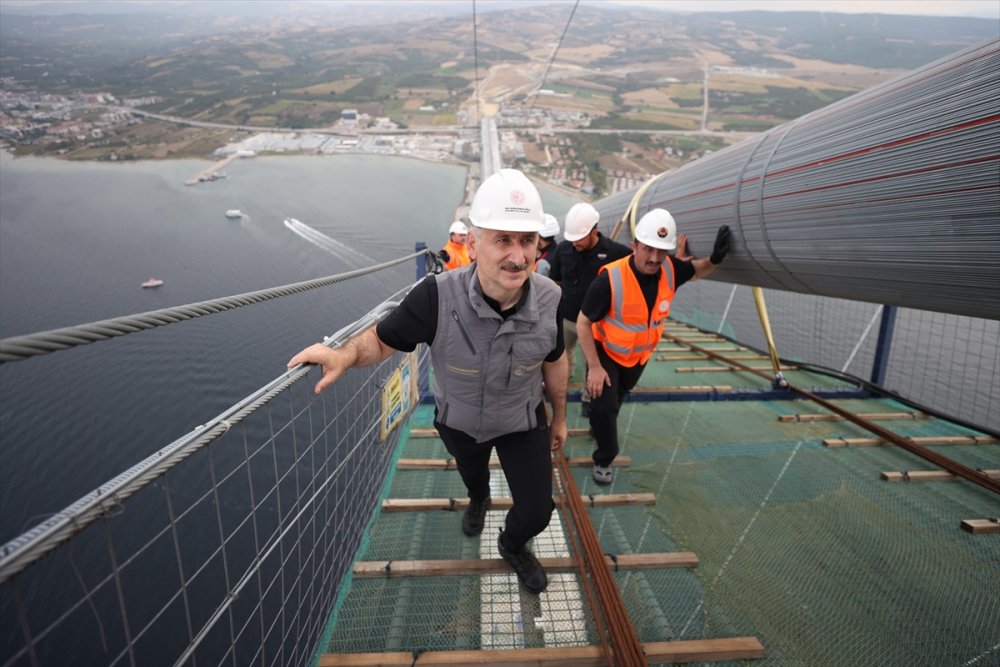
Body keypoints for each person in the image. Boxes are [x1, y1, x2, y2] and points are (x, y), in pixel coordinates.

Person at [288, 168, 568, 594]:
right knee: (474, 476)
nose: (517, 256)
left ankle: (512, 545)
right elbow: (382, 339)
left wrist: (559, 417)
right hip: (461, 423)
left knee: (537, 512)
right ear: (472, 245)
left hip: (522, 420)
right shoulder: (436, 296)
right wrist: (344, 354)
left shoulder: (550, 299)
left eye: (527, 240)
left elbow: (555, 357)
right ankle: (479, 499)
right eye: (503, 240)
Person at [576, 209, 731, 485]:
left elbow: (697, 269)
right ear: (634, 246)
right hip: (606, 351)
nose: (654, 258)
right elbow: (583, 323)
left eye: (661, 251)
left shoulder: (670, 269)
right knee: (605, 407)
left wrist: (715, 259)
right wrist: (595, 368)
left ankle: (599, 424)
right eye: (648, 249)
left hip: (638, 358)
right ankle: (604, 458)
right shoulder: (610, 279)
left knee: (614, 402)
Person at [548, 202, 632, 415]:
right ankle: (561, 384)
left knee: (593, 362)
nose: (574, 242)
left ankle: (588, 398)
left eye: (579, 238)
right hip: (568, 317)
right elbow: (555, 280)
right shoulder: (563, 250)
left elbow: (638, 264)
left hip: (596, 322)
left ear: (594, 231)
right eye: (572, 238)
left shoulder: (614, 252)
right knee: (562, 353)